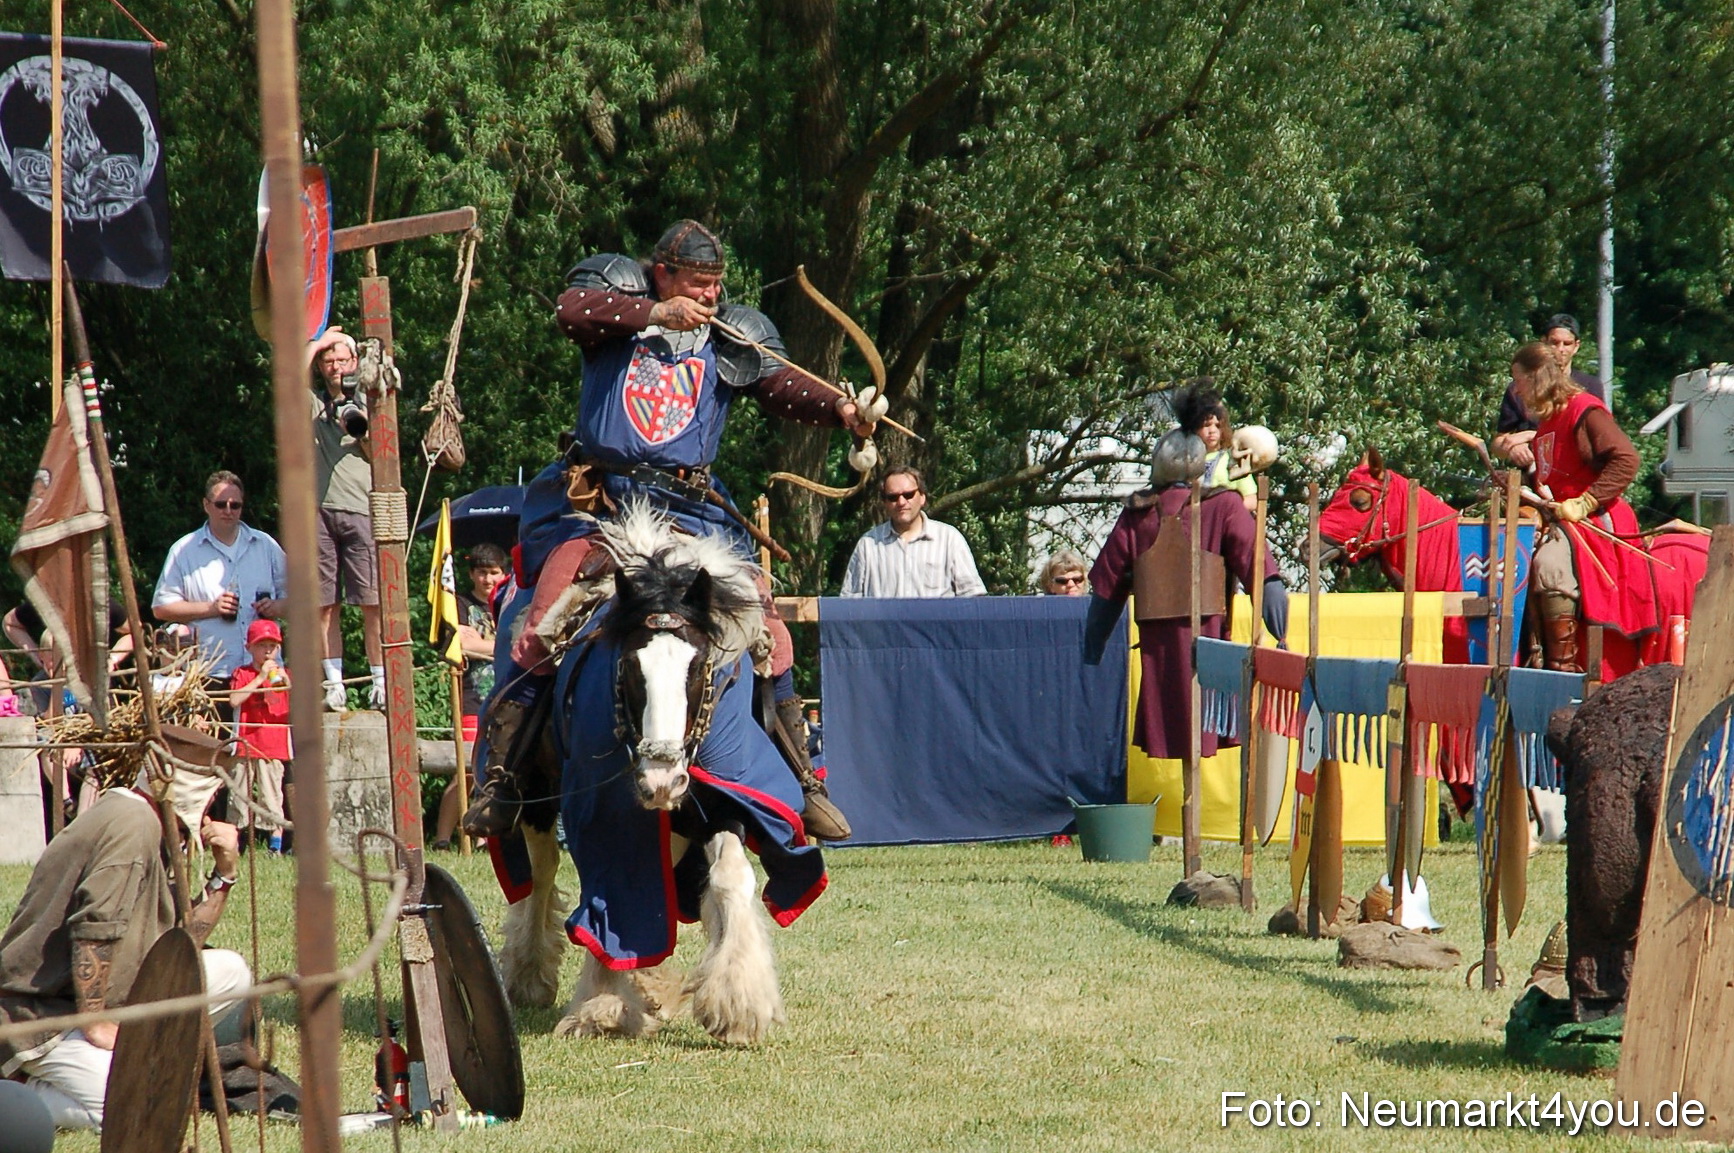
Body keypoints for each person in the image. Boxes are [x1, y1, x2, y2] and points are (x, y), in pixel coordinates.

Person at [461, 219, 882, 843]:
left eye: (717, 285)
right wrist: (658, 311)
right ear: (663, 273)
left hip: (689, 513)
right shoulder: (616, 311)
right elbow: (571, 307)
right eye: (699, 284)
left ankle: (806, 783)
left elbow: (783, 384)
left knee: (768, 632)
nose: (711, 297)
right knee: (542, 624)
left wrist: (844, 410)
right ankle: (502, 782)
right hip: (600, 507)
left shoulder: (727, 336)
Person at [0, 763, 251, 1130]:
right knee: (132, 1107)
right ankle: (19, 1090)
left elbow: (180, 945)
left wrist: (224, 875)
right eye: (212, 794)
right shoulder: (132, 824)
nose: (215, 804)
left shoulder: (154, 823)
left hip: (109, 997)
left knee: (231, 971)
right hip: (41, 1012)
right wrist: (96, 1023)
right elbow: (93, 929)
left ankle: (135, 1065)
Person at [1083, 384, 1288, 759]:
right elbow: (1260, 569)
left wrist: (1092, 649)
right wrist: (1281, 629)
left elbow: (1106, 590)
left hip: (1162, 651)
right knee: (1198, 722)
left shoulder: (1138, 513)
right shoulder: (1223, 506)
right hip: (1206, 643)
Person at [1508, 341, 1656, 675]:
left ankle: (1564, 667)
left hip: (1596, 520)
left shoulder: (1583, 410)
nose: (1516, 390)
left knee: (1549, 568)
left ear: (1536, 378)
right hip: (1563, 520)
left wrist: (1586, 500)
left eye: (1519, 380)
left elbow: (1627, 459)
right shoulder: (1546, 424)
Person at [152, 471, 288, 701]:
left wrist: (278, 607)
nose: (228, 510)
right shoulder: (184, 550)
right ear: (206, 505)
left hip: (264, 671)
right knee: (216, 738)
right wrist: (211, 609)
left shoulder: (265, 545)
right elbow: (161, 608)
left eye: (235, 505)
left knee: (264, 737)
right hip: (210, 673)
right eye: (221, 504)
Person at [306, 328, 383, 712]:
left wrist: (357, 423)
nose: (335, 368)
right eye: (328, 361)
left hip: (361, 508)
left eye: (341, 360)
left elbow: (381, 452)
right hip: (319, 511)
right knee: (325, 604)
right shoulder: (313, 404)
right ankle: (333, 683)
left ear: (355, 363)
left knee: (372, 601)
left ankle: (380, 681)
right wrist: (316, 344)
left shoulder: (374, 400)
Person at [432, 545, 508, 851]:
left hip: (506, 696)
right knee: (465, 767)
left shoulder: (507, 604)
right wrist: (498, 646)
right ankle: (441, 839)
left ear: (504, 574)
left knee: (493, 770)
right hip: (472, 696)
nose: (487, 579)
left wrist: (484, 645)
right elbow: (459, 646)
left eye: (493, 573)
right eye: (481, 572)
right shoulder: (461, 604)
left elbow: (517, 645)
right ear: (471, 574)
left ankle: (481, 837)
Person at [839, 467, 987, 598]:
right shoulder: (868, 545)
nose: (901, 502)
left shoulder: (949, 539)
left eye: (908, 495)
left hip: (936, 630)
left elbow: (973, 597)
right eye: (893, 497)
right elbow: (850, 604)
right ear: (884, 502)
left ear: (922, 497)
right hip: (884, 630)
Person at [1492, 313, 1607, 470]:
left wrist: (1531, 436)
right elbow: (1499, 442)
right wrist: (1512, 448)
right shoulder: (1519, 388)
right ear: (1543, 342)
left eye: (1567, 344)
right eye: (1554, 342)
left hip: (1572, 477)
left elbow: (1595, 440)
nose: (1560, 349)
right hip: (1532, 477)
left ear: (1576, 346)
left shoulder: (1590, 387)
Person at [229, 618, 291, 851]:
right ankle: (234, 846)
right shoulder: (242, 673)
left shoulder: (285, 675)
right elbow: (234, 700)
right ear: (249, 648)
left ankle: (275, 848)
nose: (267, 651)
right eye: (261, 645)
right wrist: (260, 678)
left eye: (272, 646)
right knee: (238, 797)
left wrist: (286, 684)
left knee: (272, 798)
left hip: (273, 747)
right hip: (244, 744)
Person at [1194, 388, 1257, 511]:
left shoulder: (1233, 460)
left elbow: (1251, 500)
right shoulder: (1189, 461)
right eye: (1206, 425)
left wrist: (1224, 514)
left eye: (1217, 426)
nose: (1212, 431)